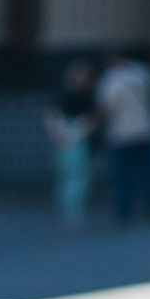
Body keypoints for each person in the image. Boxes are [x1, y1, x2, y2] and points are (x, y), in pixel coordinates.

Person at [94, 49, 150, 224]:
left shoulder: (110, 79)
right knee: (149, 173)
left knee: (124, 176)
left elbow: (106, 109)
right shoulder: (143, 72)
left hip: (122, 134)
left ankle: (125, 210)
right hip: (146, 129)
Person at [45, 58, 100, 227]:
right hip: (76, 140)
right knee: (75, 177)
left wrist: (59, 134)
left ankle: (69, 209)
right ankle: (72, 210)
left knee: (70, 177)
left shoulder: (67, 94)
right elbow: (91, 120)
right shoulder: (83, 95)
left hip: (70, 139)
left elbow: (52, 115)